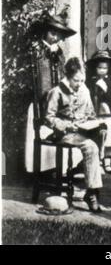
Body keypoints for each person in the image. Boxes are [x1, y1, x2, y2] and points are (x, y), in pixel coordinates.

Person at [45, 57, 105, 212]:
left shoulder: (84, 90)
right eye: (76, 80)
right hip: (66, 133)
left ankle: (83, 172)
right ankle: (92, 194)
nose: (79, 84)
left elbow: (91, 113)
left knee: (102, 133)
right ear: (67, 77)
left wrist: (95, 123)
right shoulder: (56, 92)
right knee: (91, 148)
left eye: (82, 80)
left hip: (83, 130)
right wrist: (66, 125)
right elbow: (49, 117)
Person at [25, 9, 77, 173]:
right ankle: (44, 169)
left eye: (59, 35)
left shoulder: (59, 53)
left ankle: (61, 168)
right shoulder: (37, 51)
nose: (55, 37)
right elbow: (40, 80)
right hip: (41, 102)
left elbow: (63, 74)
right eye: (52, 33)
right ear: (45, 32)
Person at [86, 50, 111, 174]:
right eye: (99, 68)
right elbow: (89, 96)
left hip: (108, 112)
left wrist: (106, 90)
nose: (102, 70)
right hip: (96, 113)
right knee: (98, 138)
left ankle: (107, 163)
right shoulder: (91, 82)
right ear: (95, 68)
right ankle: (98, 162)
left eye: (105, 68)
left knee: (109, 139)